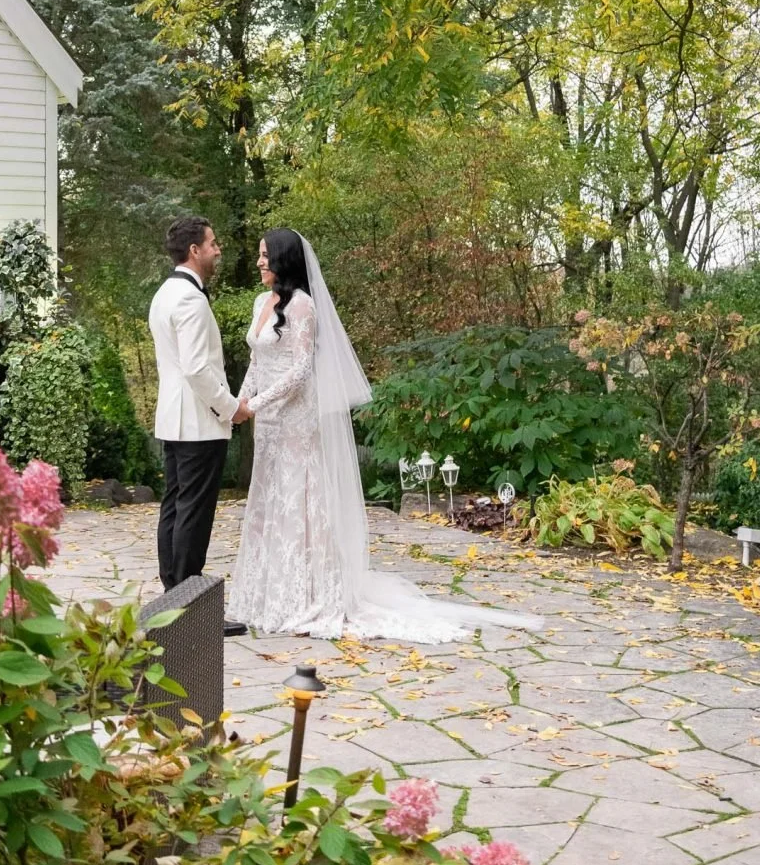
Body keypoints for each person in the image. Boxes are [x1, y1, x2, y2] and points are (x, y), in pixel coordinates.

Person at [228, 228, 543, 642]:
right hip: (267, 422)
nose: (259, 262)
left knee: (299, 498)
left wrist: (258, 402)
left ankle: (306, 594)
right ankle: (265, 595)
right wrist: (240, 402)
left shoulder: (304, 306)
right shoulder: (258, 303)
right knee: (269, 497)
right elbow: (257, 360)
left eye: (265, 255)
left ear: (284, 259)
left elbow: (301, 370)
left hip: (296, 419)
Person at [149, 215, 250, 635]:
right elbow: (196, 368)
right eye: (213, 243)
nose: (218, 249)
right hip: (198, 421)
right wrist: (231, 408)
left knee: (175, 507)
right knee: (193, 512)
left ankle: (172, 600)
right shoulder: (190, 299)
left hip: (176, 419)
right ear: (194, 250)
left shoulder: (165, 293)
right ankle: (188, 609)